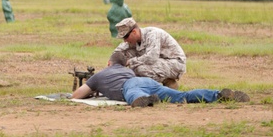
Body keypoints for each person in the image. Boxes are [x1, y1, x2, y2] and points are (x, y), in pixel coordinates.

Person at [72, 51, 248, 106]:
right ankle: (217, 95)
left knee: (133, 95)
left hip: (131, 85)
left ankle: (144, 102)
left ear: (108, 63)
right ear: (125, 64)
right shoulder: (128, 70)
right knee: (181, 96)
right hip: (147, 82)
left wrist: (93, 86)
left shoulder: (100, 75)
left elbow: (76, 95)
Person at [112, 18, 186, 87]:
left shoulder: (152, 34)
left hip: (175, 63)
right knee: (127, 53)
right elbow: (120, 49)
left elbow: (152, 57)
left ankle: (167, 83)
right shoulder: (134, 40)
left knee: (139, 69)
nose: (125, 40)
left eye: (126, 37)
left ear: (134, 32)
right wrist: (113, 60)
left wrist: (130, 62)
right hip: (160, 61)